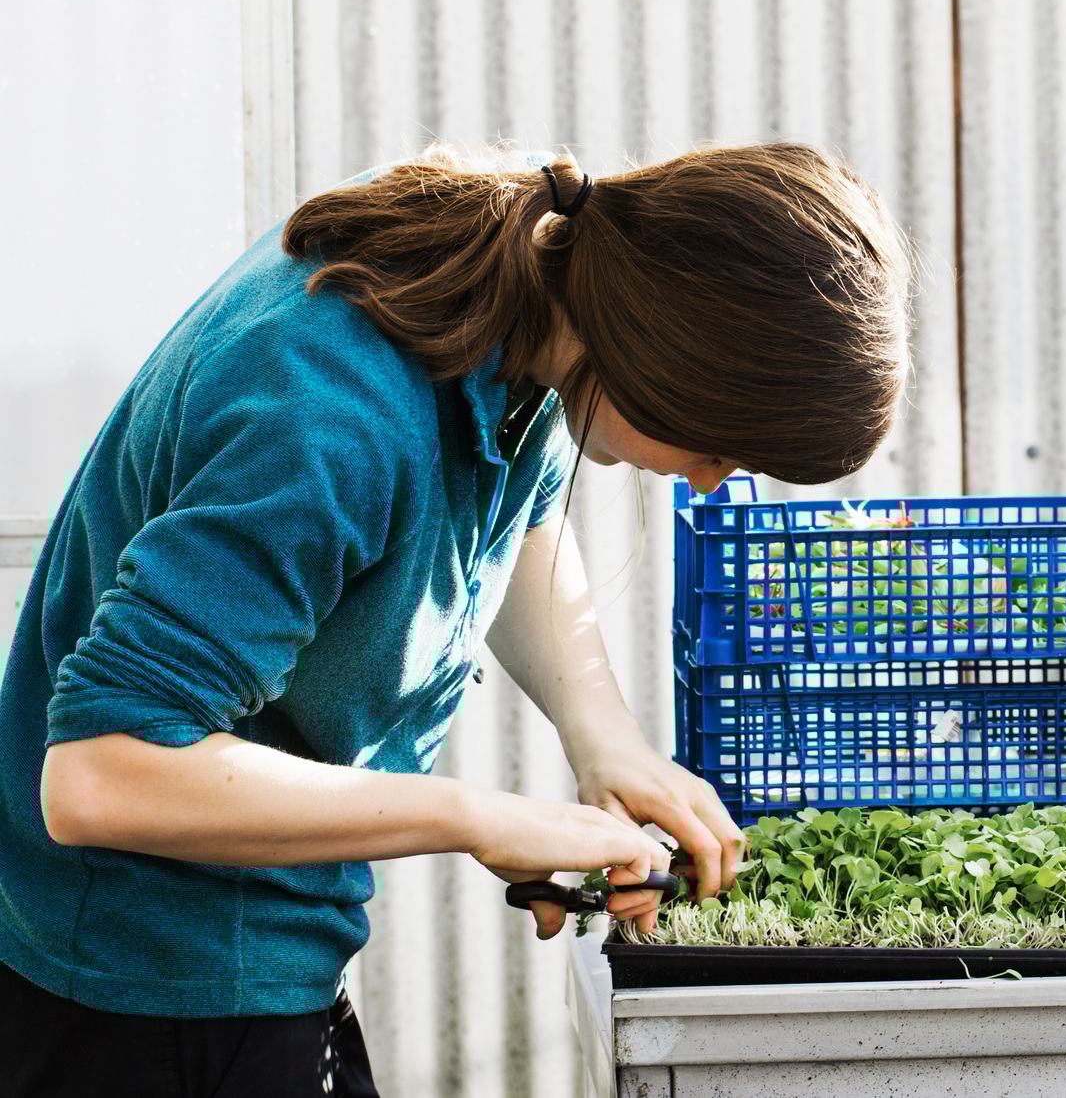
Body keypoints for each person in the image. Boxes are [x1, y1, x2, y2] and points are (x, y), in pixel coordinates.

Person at [0, 143, 911, 1095]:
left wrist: (603, 734)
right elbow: (101, 774)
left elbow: (505, 495)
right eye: (726, 441)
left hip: (255, 947)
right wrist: (479, 818)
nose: (715, 478)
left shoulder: (541, 252)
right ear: (671, 356)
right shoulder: (328, 417)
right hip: (144, 992)